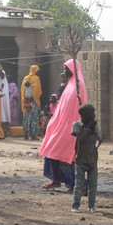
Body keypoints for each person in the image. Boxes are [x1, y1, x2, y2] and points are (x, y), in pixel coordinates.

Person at [39, 59, 88, 191]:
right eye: (64, 69)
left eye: (67, 69)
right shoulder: (69, 85)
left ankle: (79, 184)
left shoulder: (79, 85)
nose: (65, 72)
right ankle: (56, 180)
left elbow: (80, 107)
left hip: (70, 127)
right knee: (52, 151)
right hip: (61, 125)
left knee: (65, 154)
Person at [71, 103, 103, 213]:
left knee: (92, 185)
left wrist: (93, 128)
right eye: (91, 113)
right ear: (83, 114)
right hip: (80, 159)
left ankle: (91, 206)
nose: (94, 115)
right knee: (79, 184)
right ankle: (75, 205)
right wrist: (88, 129)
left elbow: (101, 138)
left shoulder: (94, 126)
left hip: (92, 160)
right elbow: (80, 139)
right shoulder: (76, 125)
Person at [21, 65, 42, 140]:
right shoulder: (36, 78)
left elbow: (22, 90)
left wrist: (26, 99)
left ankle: (26, 135)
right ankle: (33, 135)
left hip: (26, 101)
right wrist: (32, 98)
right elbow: (37, 91)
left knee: (26, 118)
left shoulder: (26, 78)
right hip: (34, 102)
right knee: (34, 118)